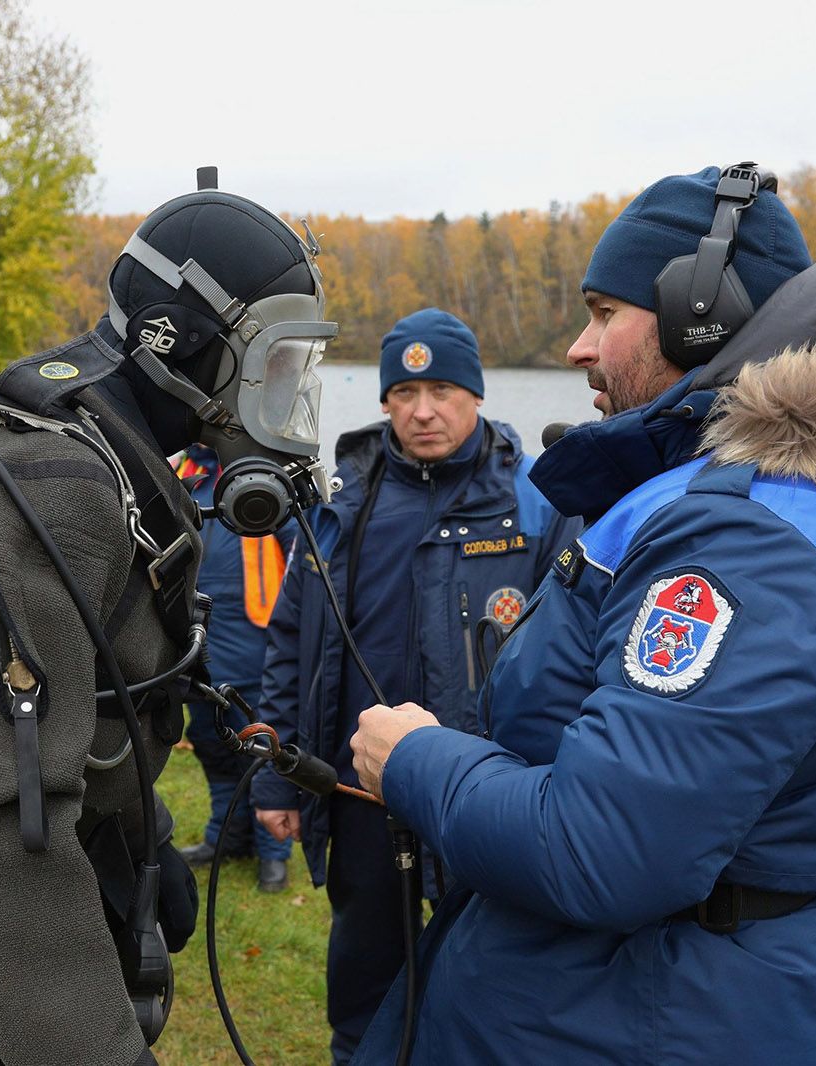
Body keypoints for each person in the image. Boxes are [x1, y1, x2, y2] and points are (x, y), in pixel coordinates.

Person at [347, 165, 816, 1064]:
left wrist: (418, 762)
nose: (578, 349)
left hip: (650, 1011)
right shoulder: (779, 502)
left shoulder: (746, 542)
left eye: (601, 313)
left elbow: (602, 850)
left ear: (699, 314)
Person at [0, 180, 336, 1066]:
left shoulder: (64, 442)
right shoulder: (59, 487)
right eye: (274, 361)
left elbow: (78, 716)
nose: (284, 395)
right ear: (183, 341)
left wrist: (142, 843)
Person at [251, 307, 579, 1064]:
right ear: (385, 401)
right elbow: (290, 644)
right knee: (364, 981)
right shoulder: (340, 509)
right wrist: (275, 783)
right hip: (362, 792)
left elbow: (572, 662)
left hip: (486, 791)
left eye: (442, 390)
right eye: (404, 393)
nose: (423, 411)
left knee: (495, 982)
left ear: (477, 394)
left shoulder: (540, 508)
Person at [171, 446, 295, 892]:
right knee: (212, 745)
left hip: (258, 652)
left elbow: (305, 562)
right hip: (195, 652)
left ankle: (274, 853)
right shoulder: (182, 473)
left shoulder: (272, 476)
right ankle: (227, 837)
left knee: (263, 748)